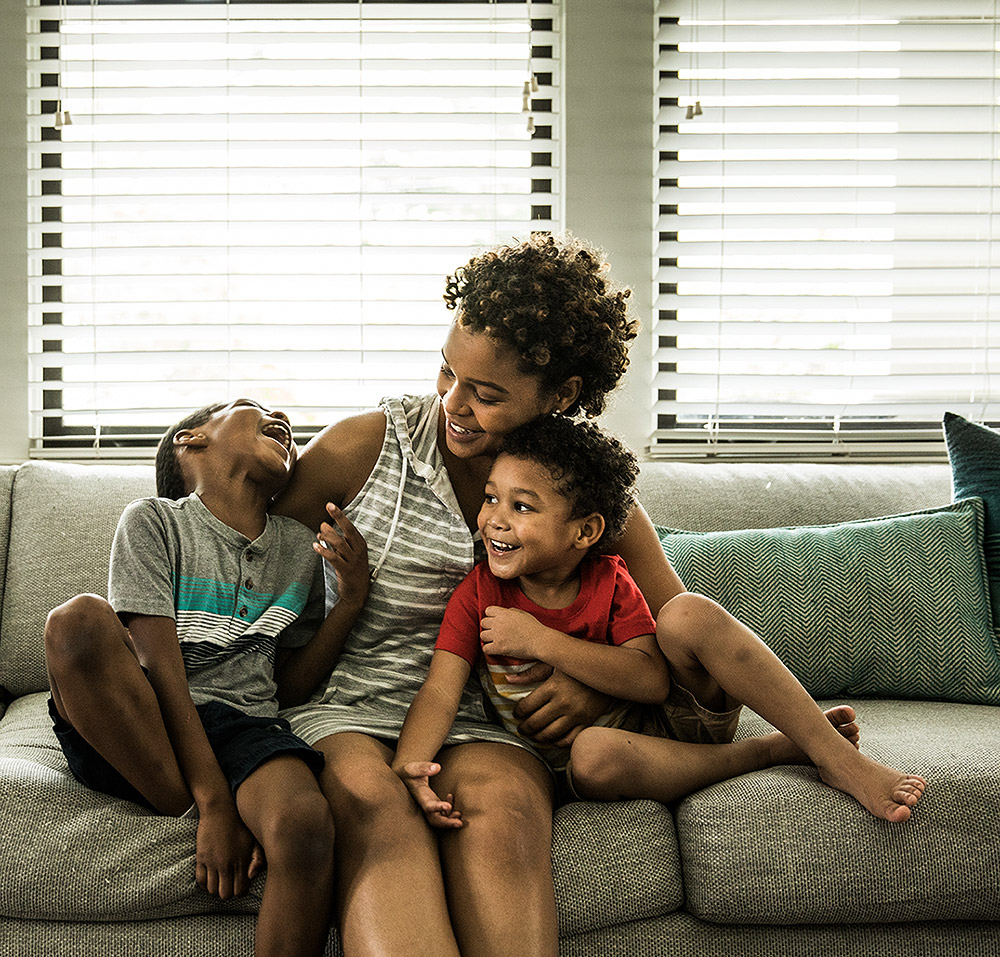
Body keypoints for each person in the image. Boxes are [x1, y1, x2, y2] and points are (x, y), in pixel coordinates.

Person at [273, 233, 925, 957]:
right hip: (354, 705)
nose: (453, 404)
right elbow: (242, 567)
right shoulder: (364, 448)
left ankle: (825, 757)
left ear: (560, 395)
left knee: (504, 812)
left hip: (494, 725)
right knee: (374, 806)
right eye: (446, 373)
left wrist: (588, 680)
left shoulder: (584, 493)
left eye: (486, 394)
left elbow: (678, 650)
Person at [393, 414, 870, 825]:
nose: (494, 519)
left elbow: (651, 681)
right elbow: (439, 690)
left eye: (521, 507)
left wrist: (543, 642)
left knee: (688, 613)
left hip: (667, 723)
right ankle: (766, 752)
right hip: (597, 760)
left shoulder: (609, 581)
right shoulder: (477, 595)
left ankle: (832, 753)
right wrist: (411, 764)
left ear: (584, 531)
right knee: (595, 754)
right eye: (491, 498)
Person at [44, 398, 370, 957]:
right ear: (191, 441)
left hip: (245, 725)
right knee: (76, 620)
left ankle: (196, 800)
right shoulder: (154, 522)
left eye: (288, 426)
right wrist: (216, 803)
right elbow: (161, 670)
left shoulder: (299, 549)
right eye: (252, 408)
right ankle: (186, 800)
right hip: (146, 715)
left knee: (306, 825)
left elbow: (287, 686)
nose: (284, 422)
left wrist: (350, 598)